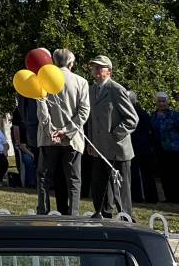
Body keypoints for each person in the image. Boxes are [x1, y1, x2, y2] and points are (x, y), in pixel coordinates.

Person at [37, 48, 90, 216]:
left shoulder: (42, 80)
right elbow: (83, 112)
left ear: (53, 61)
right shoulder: (81, 81)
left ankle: (43, 211)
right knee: (73, 180)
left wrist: (51, 130)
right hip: (72, 139)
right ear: (71, 63)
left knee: (44, 178)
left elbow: (42, 109)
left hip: (48, 138)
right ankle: (73, 214)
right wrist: (66, 131)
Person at [85, 56, 138, 217]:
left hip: (118, 150)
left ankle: (125, 218)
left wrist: (115, 135)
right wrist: (91, 142)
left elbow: (132, 119)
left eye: (100, 67)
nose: (96, 70)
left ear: (109, 71)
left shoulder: (116, 89)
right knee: (99, 186)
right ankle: (102, 215)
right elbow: (92, 119)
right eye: (94, 67)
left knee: (120, 190)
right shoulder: (92, 90)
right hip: (99, 149)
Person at [149, 92, 179, 204]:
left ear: (167, 102)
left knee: (175, 174)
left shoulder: (174, 115)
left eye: (163, 101)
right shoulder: (154, 116)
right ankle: (169, 197)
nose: (161, 103)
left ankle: (178, 198)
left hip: (174, 149)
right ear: (156, 103)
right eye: (159, 101)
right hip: (160, 149)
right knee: (164, 174)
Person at [128, 94, 158, 205]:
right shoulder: (144, 112)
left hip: (134, 145)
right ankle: (152, 197)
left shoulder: (129, 113)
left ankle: (137, 196)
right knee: (147, 173)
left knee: (134, 172)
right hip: (145, 145)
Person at [11, 95, 39, 191]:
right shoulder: (18, 113)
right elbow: (22, 145)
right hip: (25, 148)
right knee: (28, 160)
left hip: (37, 146)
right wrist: (32, 154)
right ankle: (31, 183)